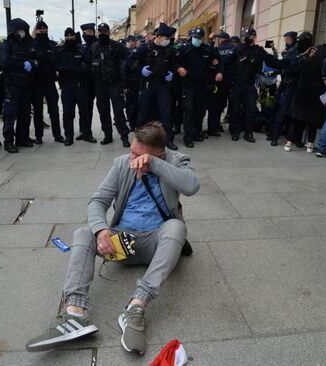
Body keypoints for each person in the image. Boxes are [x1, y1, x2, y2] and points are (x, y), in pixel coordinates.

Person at [25, 122, 200, 355]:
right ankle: (74, 314)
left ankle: (136, 307)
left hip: (156, 245)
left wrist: (154, 165)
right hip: (120, 244)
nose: (132, 158)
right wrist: (101, 230)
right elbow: (97, 202)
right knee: (83, 233)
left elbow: (191, 186)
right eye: (132, 151)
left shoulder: (176, 161)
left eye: (138, 155)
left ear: (159, 154)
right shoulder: (121, 164)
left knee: (176, 227)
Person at [218, 28, 288, 143]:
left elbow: (272, 61)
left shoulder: (259, 51)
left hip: (250, 84)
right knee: (235, 109)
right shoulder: (238, 49)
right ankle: (235, 131)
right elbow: (226, 62)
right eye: (249, 35)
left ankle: (248, 133)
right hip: (237, 83)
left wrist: (288, 62)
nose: (251, 37)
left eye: (253, 36)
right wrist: (220, 72)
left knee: (251, 109)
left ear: (255, 37)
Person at [126, 23, 179, 150]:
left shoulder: (170, 50)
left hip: (163, 85)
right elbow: (129, 62)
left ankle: (168, 140)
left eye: (169, 38)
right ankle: (139, 138)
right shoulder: (145, 48)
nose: (167, 40)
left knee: (166, 113)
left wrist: (172, 74)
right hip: (148, 85)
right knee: (143, 113)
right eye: (166, 38)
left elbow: (175, 65)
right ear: (158, 36)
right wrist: (140, 70)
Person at [283, 43, 326, 153]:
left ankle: (288, 143)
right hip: (317, 96)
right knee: (313, 121)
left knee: (296, 120)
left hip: (301, 94)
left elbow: (292, 69)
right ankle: (310, 145)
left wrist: (304, 55)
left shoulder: (307, 61)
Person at [176, 27, 220, 148]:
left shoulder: (208, 50)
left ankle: (197, 132)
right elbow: (175, 62)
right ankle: (188, 137)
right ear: (191, 37)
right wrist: (179, 68)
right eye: (195, 37)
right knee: (189, 111)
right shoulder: (184, 49)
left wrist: (219, 72)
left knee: (200, 110)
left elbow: (217, 62)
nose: (197, 40)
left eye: (200, 38)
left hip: (203, 85)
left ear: (203, 38)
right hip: (188, 85)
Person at [0, 18, 37, 153]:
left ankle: (22, 138)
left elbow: (35, 56)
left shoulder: (28, 44)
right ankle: (8, 141)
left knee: (25, 114)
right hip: (12, 85)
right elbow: (4, 62)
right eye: (20, 30)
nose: (22, 32)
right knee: (10, 115)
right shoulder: (6, 45)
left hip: (26, 85)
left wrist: (32, 62)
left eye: (23, 30)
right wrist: (21, 64)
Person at [89, 23, 130, 147]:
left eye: (104, 31)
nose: (102, 34)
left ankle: (124, 136)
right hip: (100, 84)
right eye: (100, 31)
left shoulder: (117, 46)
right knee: (103, 111)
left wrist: (124, 82)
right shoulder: (94, 47)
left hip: (115, 83)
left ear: (108, 33)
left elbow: (126, 63)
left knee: (118, 111)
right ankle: (108, 135)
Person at [55, 28, 94, 145]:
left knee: (84, 111)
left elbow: (88, 65)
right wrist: (64, 68)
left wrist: (78, 69)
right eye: (67, 38)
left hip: (80, 85)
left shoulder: (81, 50)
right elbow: (56, 65)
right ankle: (68, 137)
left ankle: (87, 134)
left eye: (71, 38)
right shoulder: (61, 52)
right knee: (67, 112)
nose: (69, 40)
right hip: (66, 86)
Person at [269, 31, 305, 146]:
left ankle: (291, 137)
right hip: (287, 85)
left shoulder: (297, 52)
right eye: (285, 39)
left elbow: (291, 67)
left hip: (294, 86)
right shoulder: (290, 52)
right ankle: (273, 136)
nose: (286, 41)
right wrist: (275, 71)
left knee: (289, 112)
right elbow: (284, 67)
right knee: (280, 110)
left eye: (288, 39)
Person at [31, 21, 63, 144]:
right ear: (37, 31)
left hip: (49, 81)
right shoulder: (32, 44)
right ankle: (39, 136)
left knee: (54, 110)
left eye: (45, 31)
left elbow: (56, 60)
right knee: (38, 111)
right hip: (37, 82)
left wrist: (47, 59)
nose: (43, 33)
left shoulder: (52, 45)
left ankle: (57, 135)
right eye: (40, 31)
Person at [79, 23, 98, 140]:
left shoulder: (97, 45)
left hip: (96, 80)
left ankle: (89, 132)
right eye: (84, 33)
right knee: (84, 107)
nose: (86, 35)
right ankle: (84, 131)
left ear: (93, 32)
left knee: (95, 107)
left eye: (88, 33)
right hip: (85, 81)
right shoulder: (84, 46)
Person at [123, 35, 141, 131]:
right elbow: (124, 70)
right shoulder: (128, 53)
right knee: (131, 105)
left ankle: (137, 123)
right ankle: (132, 123)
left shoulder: (140, 53)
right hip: (131, 84)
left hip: (139, 83)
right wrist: (125, 85)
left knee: (138, 105)